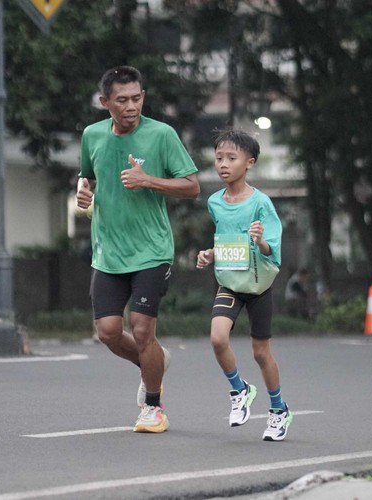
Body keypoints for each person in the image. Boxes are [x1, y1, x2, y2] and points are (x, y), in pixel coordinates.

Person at [76, 66, 200, 432]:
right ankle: (154, 362)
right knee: (108, 332)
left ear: (143, 96)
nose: (131, 107)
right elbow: (87, 175)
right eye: (122, 100)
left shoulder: (161, 135)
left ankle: (153, 406)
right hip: (108, 251)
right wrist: (82, 189)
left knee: (143, 330)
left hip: (151, 250)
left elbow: (192, 186)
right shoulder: (92, 135)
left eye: (136, 98)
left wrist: (148, 180)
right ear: (105, 102)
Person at [196, 129, 292, 441]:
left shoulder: (261, 203)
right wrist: (210, 253)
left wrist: (260, 240)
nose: (223, 164)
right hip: (229, 282)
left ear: (249, 163)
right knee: (217, 338)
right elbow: (227, 240)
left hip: (258, 284)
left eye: (231, 158)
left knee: (261, 353)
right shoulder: (214, 202)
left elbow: (272, 250)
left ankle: (278, 410)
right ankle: (240, 390)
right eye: (219, 158)